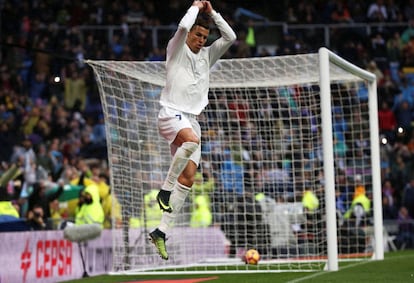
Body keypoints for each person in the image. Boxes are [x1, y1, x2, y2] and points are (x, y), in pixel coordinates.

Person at [148, 0, 236, 260]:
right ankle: (164, 189)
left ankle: (161, 231)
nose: (200, 39)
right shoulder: (176, 48)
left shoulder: (207, 56)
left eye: (205, 36)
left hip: (190, 119)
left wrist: (213, 14)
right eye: (198, 35)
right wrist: (196, 8)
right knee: (192, 141)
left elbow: (231, 36)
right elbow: (183, 25)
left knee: (188, 179)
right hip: (170, 113)